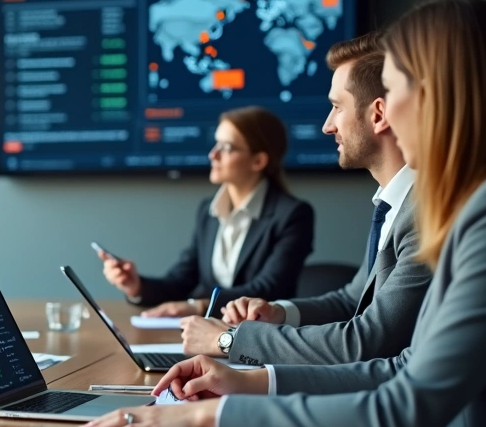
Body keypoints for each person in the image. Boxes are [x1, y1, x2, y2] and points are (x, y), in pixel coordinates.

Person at [79, 0, 486, 427]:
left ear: (432, 97)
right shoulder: (474, 202)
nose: (391, 116)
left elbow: (402, 406)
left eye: (395, 91)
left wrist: (211, 418)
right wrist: (250, 381)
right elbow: (403, 370)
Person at [177, 33, 432, 364]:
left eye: (337, 107)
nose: (328, 126)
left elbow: (367, 342)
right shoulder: (392, 205)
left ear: (379, 115)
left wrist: (229, 339)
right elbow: (350, 300)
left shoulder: (424, 213)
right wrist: (278, 313)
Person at [99, 106, 315, 317]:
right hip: (208, 335)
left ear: (258, 161)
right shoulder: (208, 211)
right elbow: (181, 281)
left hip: (262, 337)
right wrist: (136, 286)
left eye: (227, 147)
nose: (213, 154)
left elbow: (269, 289)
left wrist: (199, 306)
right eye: (216, 144)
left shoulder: (293, 214)